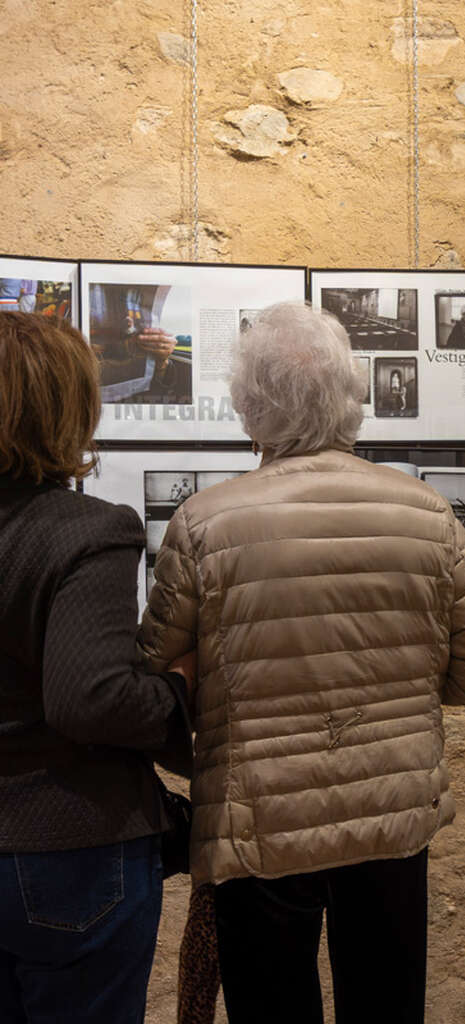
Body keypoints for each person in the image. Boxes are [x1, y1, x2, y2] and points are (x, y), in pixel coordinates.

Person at [139, 301, 465, 1024]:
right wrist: (404, 683)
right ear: (353, 401)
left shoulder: (205, 524)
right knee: (387, 1005)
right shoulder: (427, 514)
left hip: (261, 822)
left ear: (250, 409)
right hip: (391, 818)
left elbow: (158, 676)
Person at [0, 311, 195, 1024]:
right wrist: (177, 690)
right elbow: (91, 699)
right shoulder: (87, 529)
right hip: (67, 849)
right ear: (70, 407)